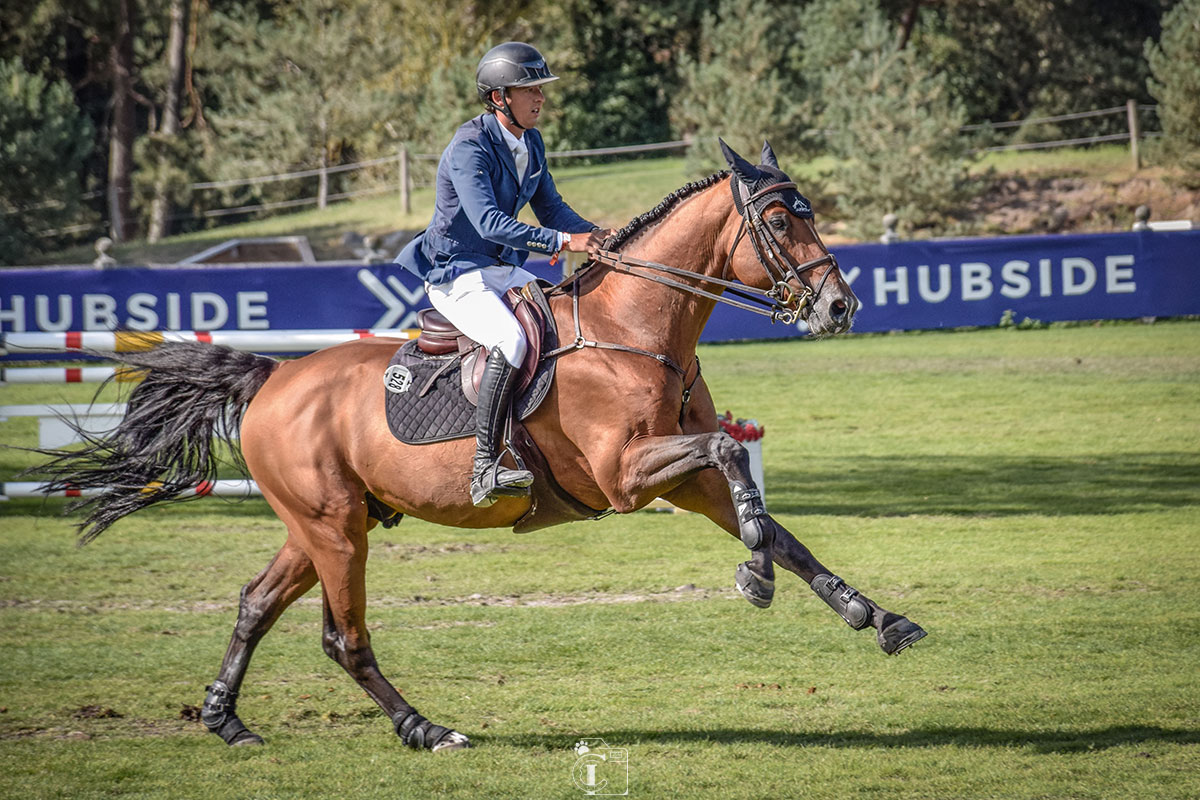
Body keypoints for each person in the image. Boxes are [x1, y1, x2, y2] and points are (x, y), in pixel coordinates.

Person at [395, 41, 610, 508]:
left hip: (500, 269)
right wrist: (560, 243)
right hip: (456, 272)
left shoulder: (530, 141)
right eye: (529, 88)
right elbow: (489, 221)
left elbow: (551, 207)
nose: (540, 97)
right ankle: (484, 465)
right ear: (499, 98)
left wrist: (600, 236)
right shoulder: (467, 147)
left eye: (540, 88)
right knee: (510, 342)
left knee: (563, 327)